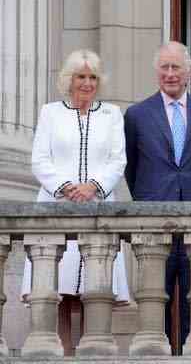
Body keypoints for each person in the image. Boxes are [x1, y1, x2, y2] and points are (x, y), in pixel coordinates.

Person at [26, 49, 129, 354]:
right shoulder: (50, 112)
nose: (87, 83)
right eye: (81, 76)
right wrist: (66, 187)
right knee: (58, 287)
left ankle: (91, 354)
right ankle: (62, 353)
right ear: (68, 80)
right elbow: (40, 159)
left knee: (94, 289)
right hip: (57, 205)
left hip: (98, 206)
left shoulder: (111, 114)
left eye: (92, 77)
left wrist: (92, 187)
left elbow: (117, 160)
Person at [124, 41, 191, 354]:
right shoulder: (137, 115)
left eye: (175, 67)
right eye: (164, 67)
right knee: (155, 299)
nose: (170, 74)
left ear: (189, 72)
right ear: (157, 72)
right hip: (154, 222)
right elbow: (132, 167)